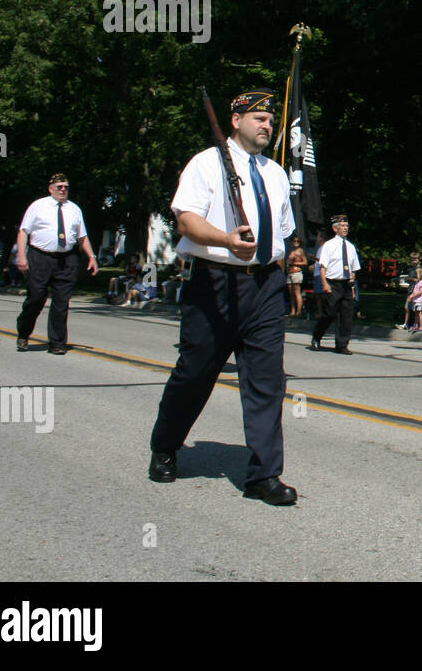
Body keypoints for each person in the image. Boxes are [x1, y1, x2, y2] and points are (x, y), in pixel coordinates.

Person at [148, 88, 297, 506]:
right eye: (258, 118)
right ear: (235, 120)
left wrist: (284, 268)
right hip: (214, 281)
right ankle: (166, 446)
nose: (267, 125)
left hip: (266, 284)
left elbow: (282, 232)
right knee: (195, 373)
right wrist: (225, 240)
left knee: (267, 380)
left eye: (270, 120)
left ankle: (264, 475)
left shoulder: (275, 173)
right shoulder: (206, 163)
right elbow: (186, 220)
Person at [14, 173, 99, 354]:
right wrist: (21, 257)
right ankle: (23, 333)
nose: (63, 190)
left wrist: (92, 256)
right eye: (59, 186)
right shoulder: (38, 206)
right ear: (50, 188)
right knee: (36, 298)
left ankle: (57, 343)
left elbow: (82, 237)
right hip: (40, 257)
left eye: (66, 187)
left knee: (61, 303)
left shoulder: (74, 209)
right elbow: (23, 232)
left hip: (67, 259)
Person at [313, 214, 360, 354]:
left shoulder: (351, 247)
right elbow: (322, 267)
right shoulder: (329, 245)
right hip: (332, 283)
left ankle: (342, 344)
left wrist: (352, 284)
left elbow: (353, 269)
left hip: (346, 284)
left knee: (346, 315)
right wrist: (325, 284)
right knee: (330, 312)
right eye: (342, 226)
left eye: (347, 226)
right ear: (335, 228)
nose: (345, 228)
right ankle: (317, 336)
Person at [285, 235, 307, 318]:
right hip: (290, 272)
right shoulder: (291, 251)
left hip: (297, 272)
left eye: (297, 241)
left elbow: (305, 262)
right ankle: (292, 310)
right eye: (294, 241)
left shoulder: (300, 251)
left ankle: (298, 311)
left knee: (297, 292)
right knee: (291, 293)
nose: (296, 243)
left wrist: (294, 263)